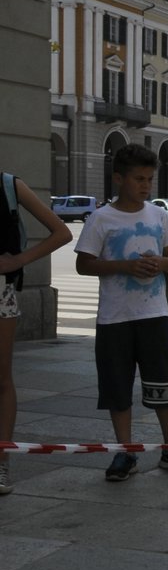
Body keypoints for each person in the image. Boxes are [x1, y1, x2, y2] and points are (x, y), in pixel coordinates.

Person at [75, 144, 168, 481]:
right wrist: (126, 266)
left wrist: (161, 263)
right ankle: (124, 452)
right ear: (118, 178)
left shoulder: (159, 216)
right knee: (117, 387)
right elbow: (83, 264)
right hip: (115, 317)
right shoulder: (102, 218)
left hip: (155, 316)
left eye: (149, 179)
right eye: (138, 178)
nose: (145, 185)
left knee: (163, 384)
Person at [0, 173, 72, 495]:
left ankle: (1, 462)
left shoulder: (8, 185)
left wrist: (19, 260)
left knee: (1, 379)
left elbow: (62, 232)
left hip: (1, 292)